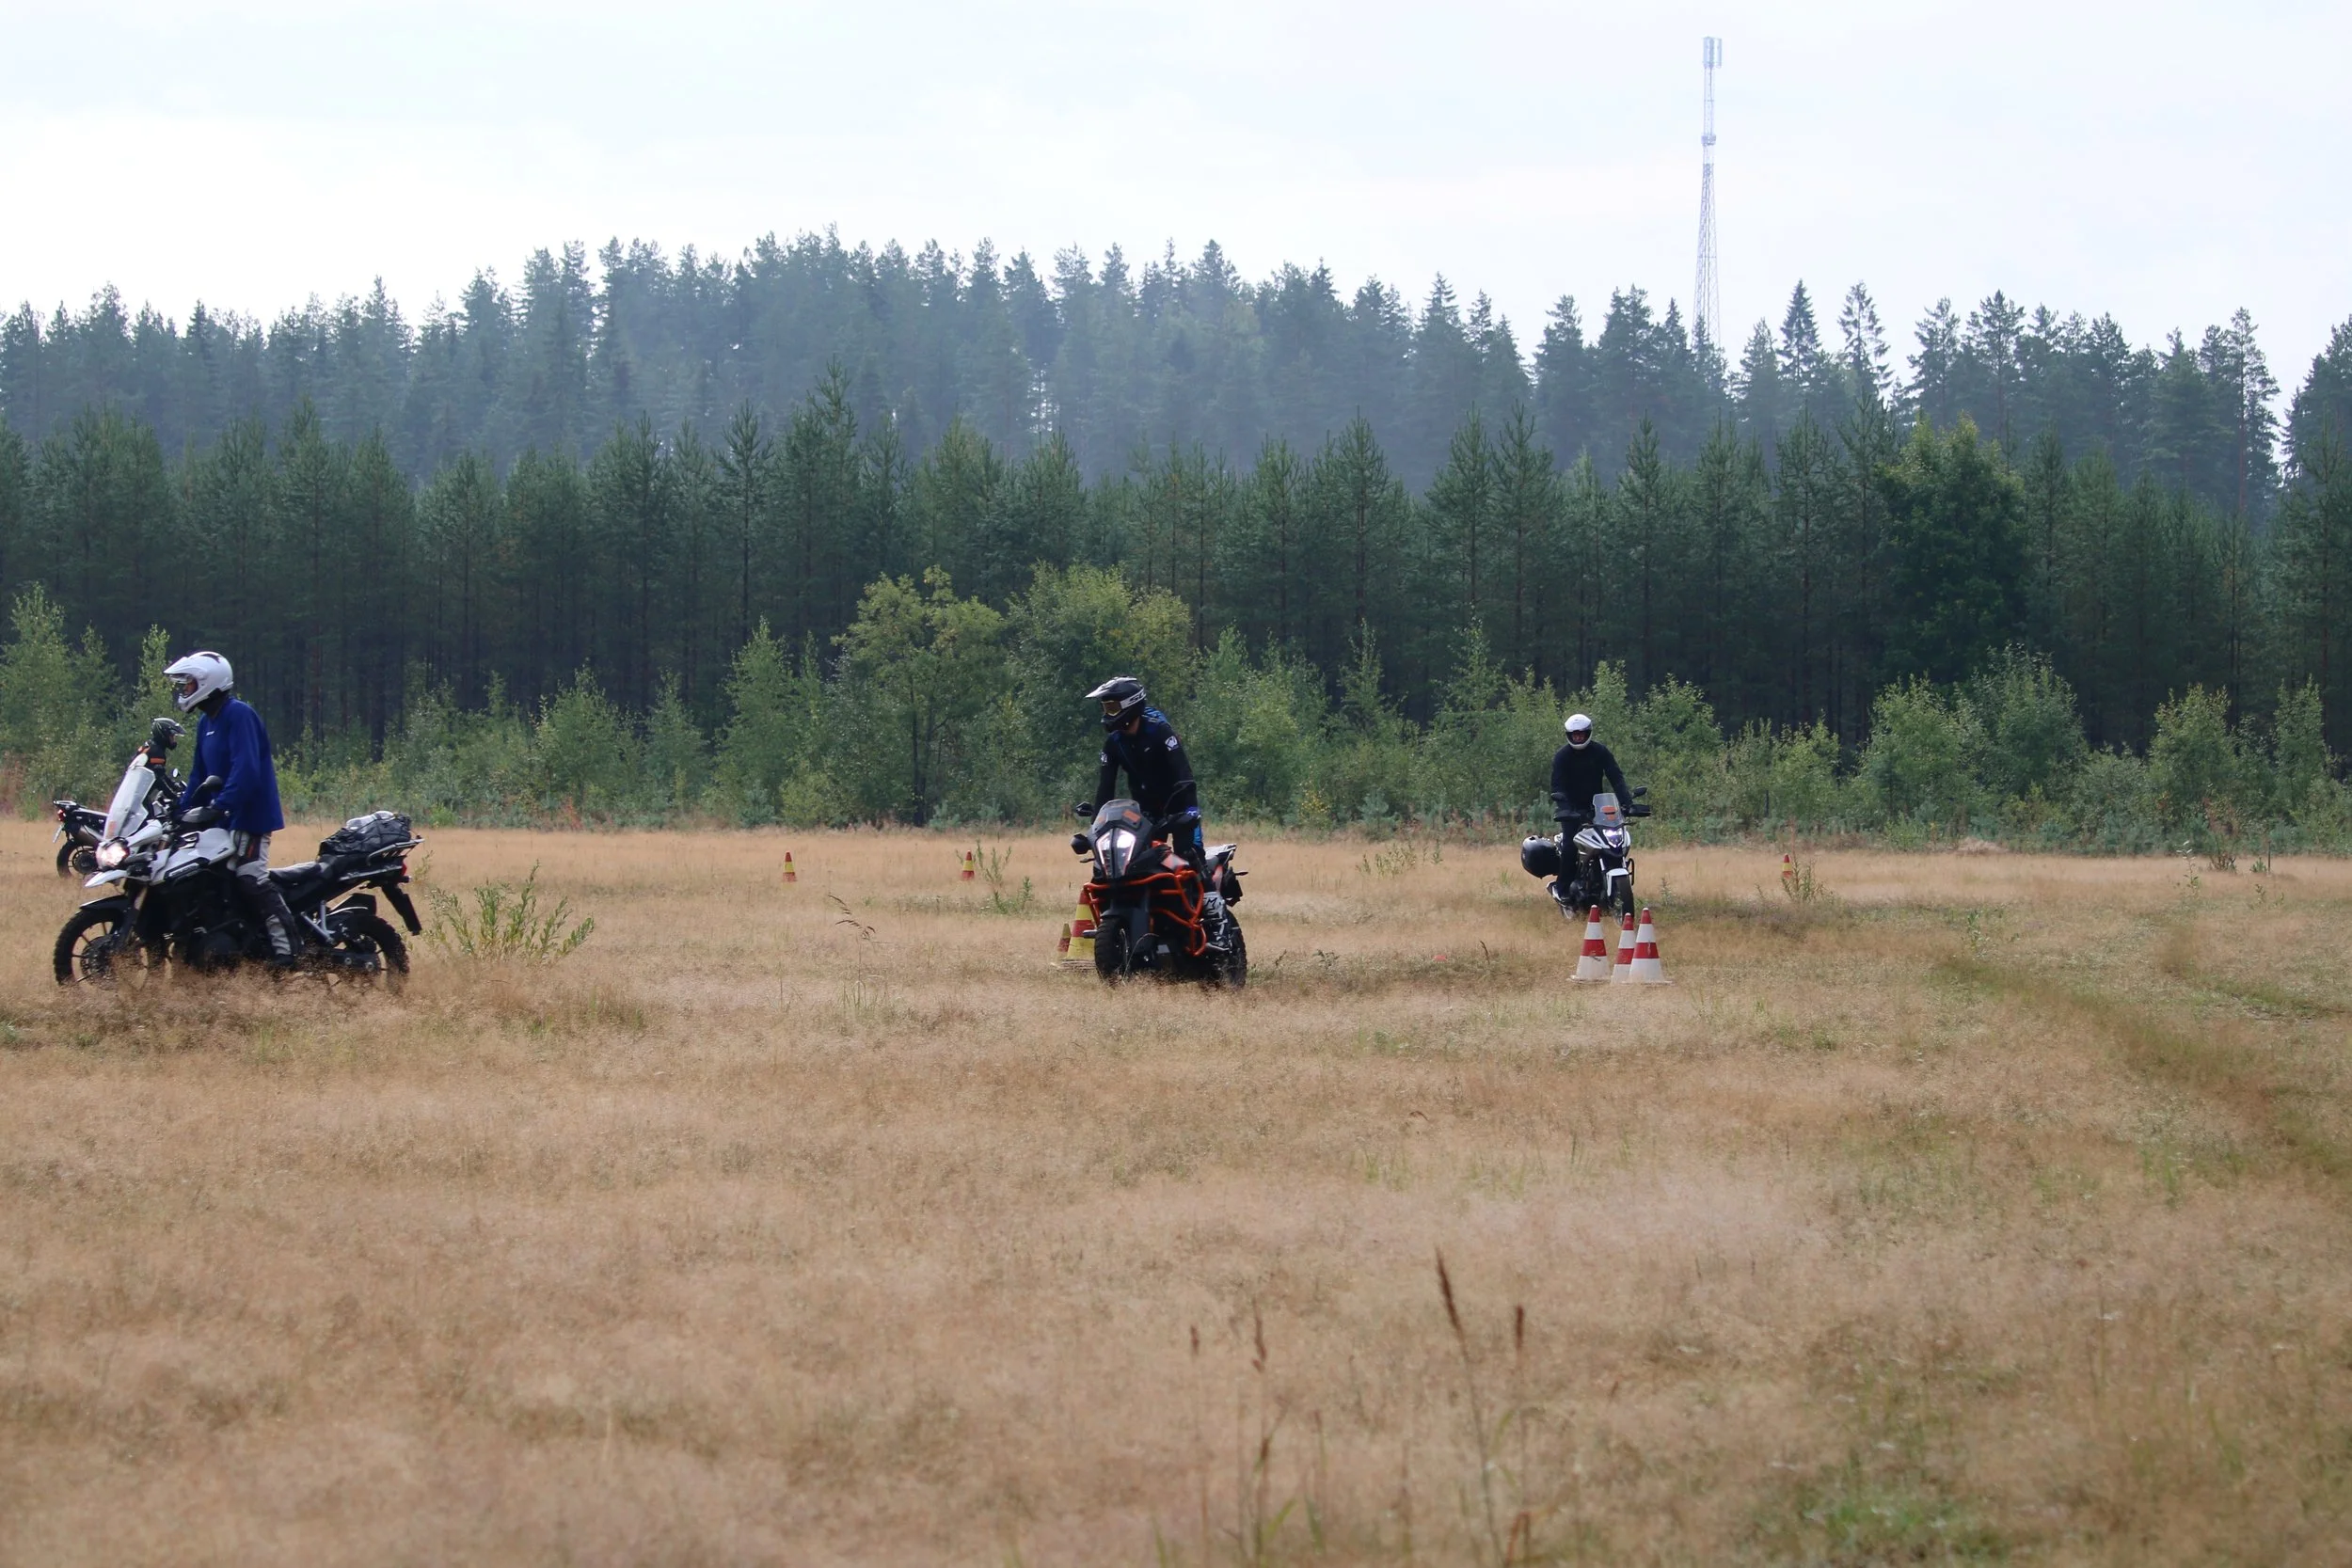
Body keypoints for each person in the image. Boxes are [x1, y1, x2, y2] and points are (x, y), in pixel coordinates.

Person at [167, 651, 295, 967]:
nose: (185, 689)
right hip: (223, 820)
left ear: (208, 683)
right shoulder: (205, 723)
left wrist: (221, 806)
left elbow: (247, 770)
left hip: (250, 817)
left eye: (190, 683)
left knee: (250, 877)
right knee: (209, 882)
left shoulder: (239, 715)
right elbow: (199, 774)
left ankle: (287, 948)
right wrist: (181, 812)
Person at [1076, 675, 1205, 873]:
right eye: (1105, 708)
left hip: (1179, 808)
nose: (1107, 714)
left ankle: (1208, 889)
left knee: (1189, 857)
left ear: (1130, 705)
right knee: (1131, 865)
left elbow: (1184, 774)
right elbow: (1106, 787)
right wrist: (1095, 827)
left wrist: (1190, 810)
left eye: (1112, 708)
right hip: (1145, 812)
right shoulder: (1113, 743)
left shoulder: (1160, 731)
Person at [1549, 712, 1633, 828]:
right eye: (1575, 735)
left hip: (1599, 809)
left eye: (1581, 734)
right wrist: (1565, 809)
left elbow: (1616, 778)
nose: (1578, 737)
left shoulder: (1600, 751)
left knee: (1615, 836)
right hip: (1572, 812)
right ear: (1569, 735)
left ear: (1587, 733)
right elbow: (1557, 785)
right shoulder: (1561, 756)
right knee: (1570, 838)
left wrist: (1626, 803)